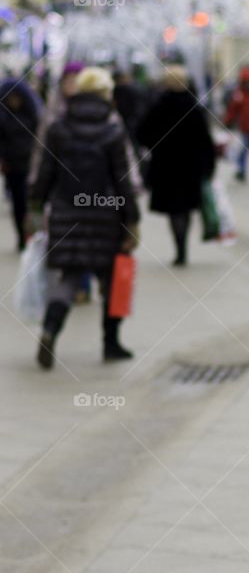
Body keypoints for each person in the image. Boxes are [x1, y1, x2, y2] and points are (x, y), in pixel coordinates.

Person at [28, 66, 139, 369]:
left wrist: (35, 207)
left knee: (69, 278)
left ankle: (50, 331)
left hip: (67, 214)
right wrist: (133, 219)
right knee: (111, 281)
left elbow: (45, 175)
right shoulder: (112, 130)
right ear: (105, 94)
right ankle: (111, 344)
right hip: (107, 214)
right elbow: (123, 180)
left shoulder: (58, 127)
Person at [135, 65, 216, 266]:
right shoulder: (195, 108)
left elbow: (142, 134)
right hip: (191, 168)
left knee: (173, 210)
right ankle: (183, 246)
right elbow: (206, 141)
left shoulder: (158, 107)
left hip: (166, 167)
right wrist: (209, 166)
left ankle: (179, 247)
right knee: (186, 208)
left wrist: (156, 148)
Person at [0, 73, 43, 251]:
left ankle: (33, 236)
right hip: (13, 167)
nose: (13, 101)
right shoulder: (3, 118)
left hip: (32, 165)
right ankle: (22, 236)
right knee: (18, 203)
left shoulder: (33, 116)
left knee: (32, 203)